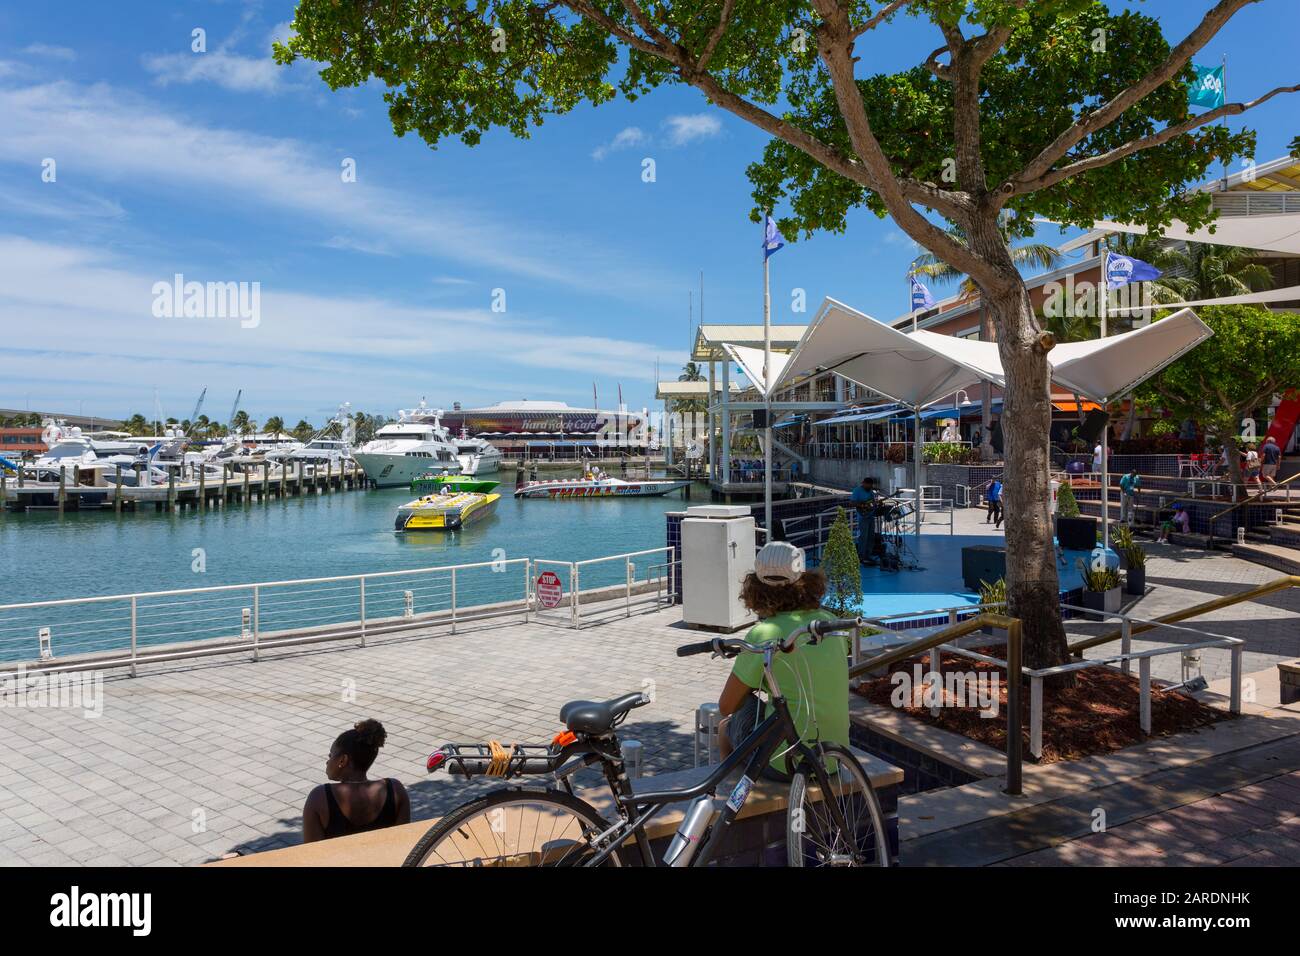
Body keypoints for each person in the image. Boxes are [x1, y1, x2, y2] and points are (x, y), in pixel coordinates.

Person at [716, 542, 846, 779]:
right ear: (807, 581)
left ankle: (731, 793)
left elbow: (726, 706)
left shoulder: (764, 634)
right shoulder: (829, 622)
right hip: (834, 758)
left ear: (755, 587)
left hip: (785, 764)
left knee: (727, 724)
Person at [303, 719, 410, 843]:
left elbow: (311, 853)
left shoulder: (319, 797)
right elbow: (404, 843)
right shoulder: (395, 790)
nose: (328, 761)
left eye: (330, 755)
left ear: (342, 760)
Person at [850, 476, 881, 565]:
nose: (869, 487)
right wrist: (862, 505)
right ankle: (861, 556)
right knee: (863, 536)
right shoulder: (857, 490)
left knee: (871, 536)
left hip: (871, 516)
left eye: (870, 486)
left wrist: (876, 504)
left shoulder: (871, 491)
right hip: (862, 516)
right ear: (864, 483)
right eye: (868, 485)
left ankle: (868, 555)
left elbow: (872, 502)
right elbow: (852, 502)